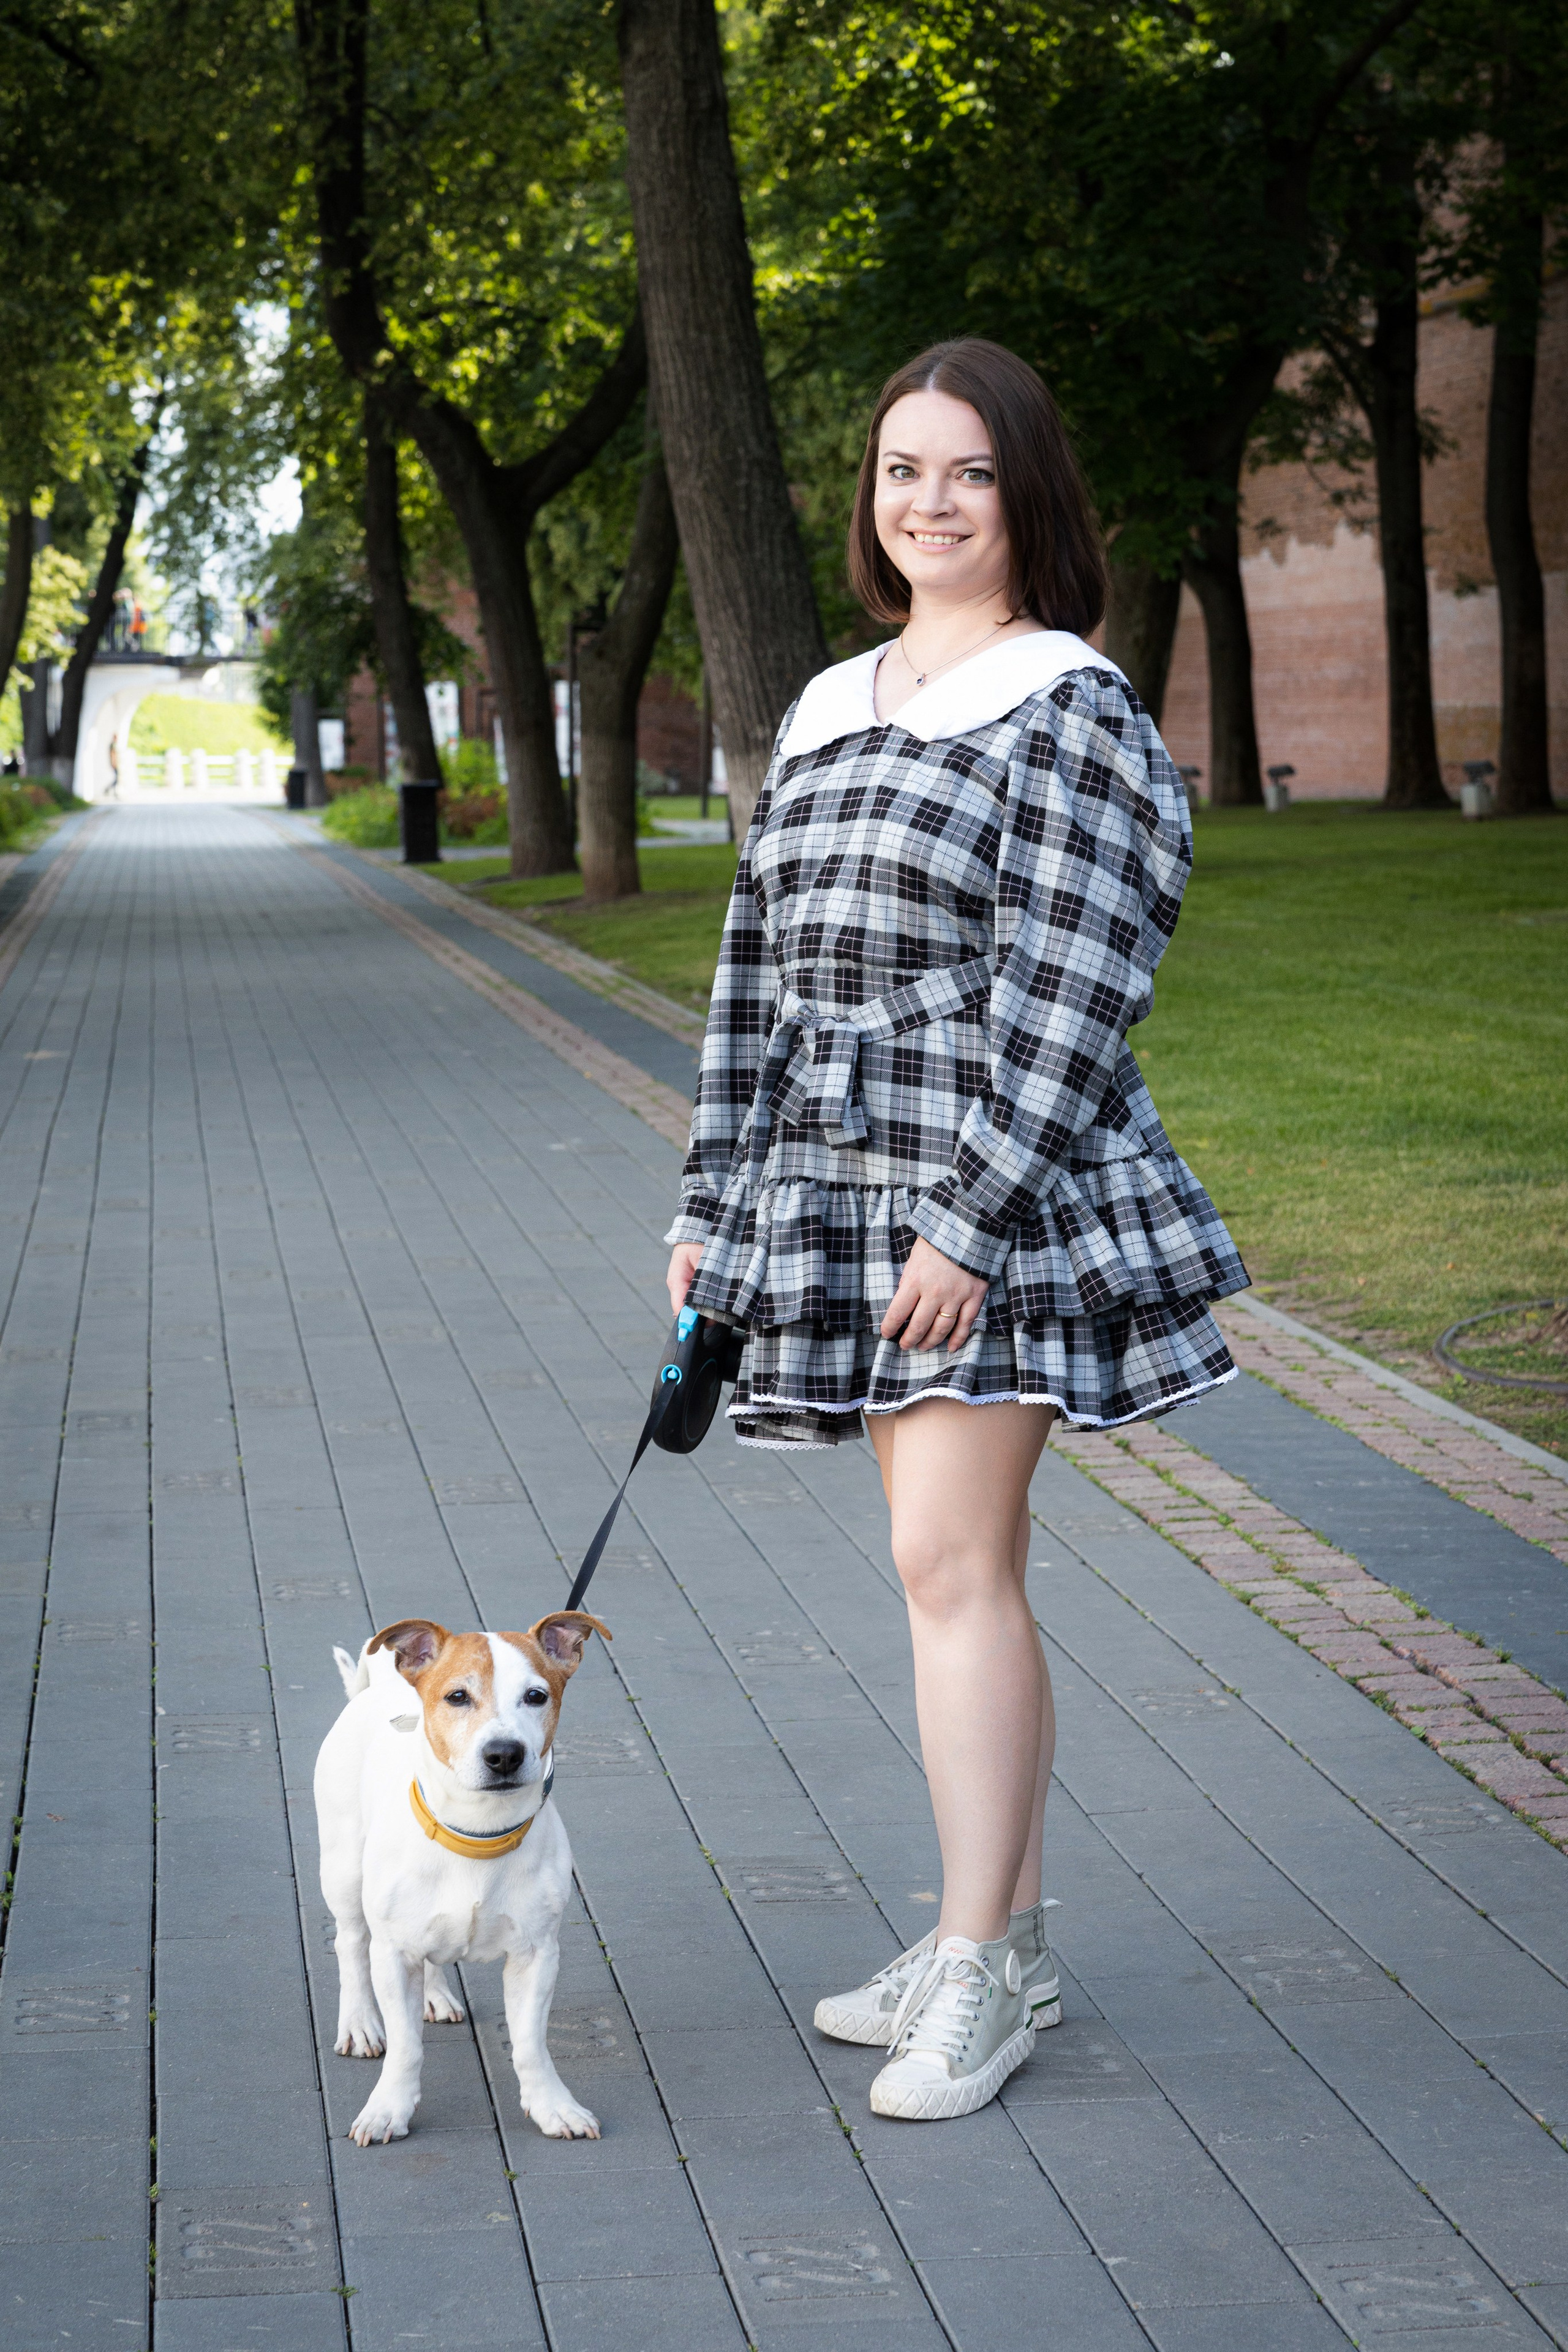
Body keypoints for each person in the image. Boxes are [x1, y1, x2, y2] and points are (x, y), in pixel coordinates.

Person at [664, 339, 1247, 2123]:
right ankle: (996, 1935)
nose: (928, 501)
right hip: (837, 1180)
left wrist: (975, 1220)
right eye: (901, 468)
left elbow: (1077, 986)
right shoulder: (834, 702)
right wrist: (711, 1196)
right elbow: (756, 969)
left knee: (950, 1569)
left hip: (996, 1177)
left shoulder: (1069, 703)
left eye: (969, 472)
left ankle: (981, 1964)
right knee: (951, 1573)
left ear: (1029, 498)